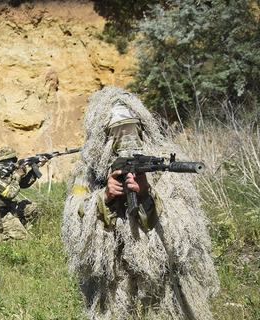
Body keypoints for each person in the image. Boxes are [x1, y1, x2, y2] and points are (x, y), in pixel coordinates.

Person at [61, 86, 219, 319]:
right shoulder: (88, 172)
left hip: (162, 284)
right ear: (102, 136)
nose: (126, 136)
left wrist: (146, 195)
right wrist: (103, 198)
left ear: (143, 127)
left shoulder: (163, 162)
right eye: (117, 131)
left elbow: (184, 232)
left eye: (132, 128)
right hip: (114, 283)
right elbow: (74, 218)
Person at [0, 147, 47, 241]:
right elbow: (10, 193)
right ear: (5, 160)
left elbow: (23, 184)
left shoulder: (6, 171)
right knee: (25, 239)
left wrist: (36, 167)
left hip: (8, 207)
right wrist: (17, 175)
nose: (15, 162)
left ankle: (16, 226)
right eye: (14, 159)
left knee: (31, 208)